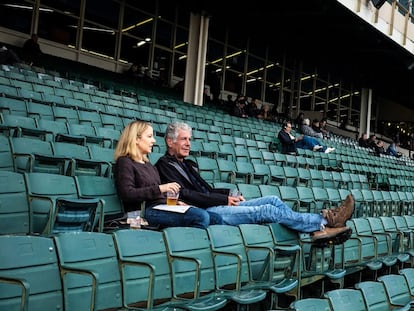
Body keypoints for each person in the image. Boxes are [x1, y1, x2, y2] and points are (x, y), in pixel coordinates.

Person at [155, 122, 354, 244]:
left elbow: (205, 189)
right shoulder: (165, 165)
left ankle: (320, 226)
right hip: (207, 212)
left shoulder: (187, 163)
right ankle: (324, 222)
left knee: (273, 199)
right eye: (184, 139)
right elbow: (188, 195)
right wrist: (224, 199)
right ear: (170, 142)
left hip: (215, 203)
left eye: (189, 139)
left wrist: (228, 195)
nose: (189, 143)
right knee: (266, 210)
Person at [113, 120, 223, 229]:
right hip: (143, 212)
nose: (154, 141)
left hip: (161, 206)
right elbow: (127, 194)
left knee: (216, 218)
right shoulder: (124, 161)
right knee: (201, 217)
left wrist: (177, 202)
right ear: (136, 139)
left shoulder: (148, 164)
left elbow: (156, 195)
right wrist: (161, 188)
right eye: (149, 136)